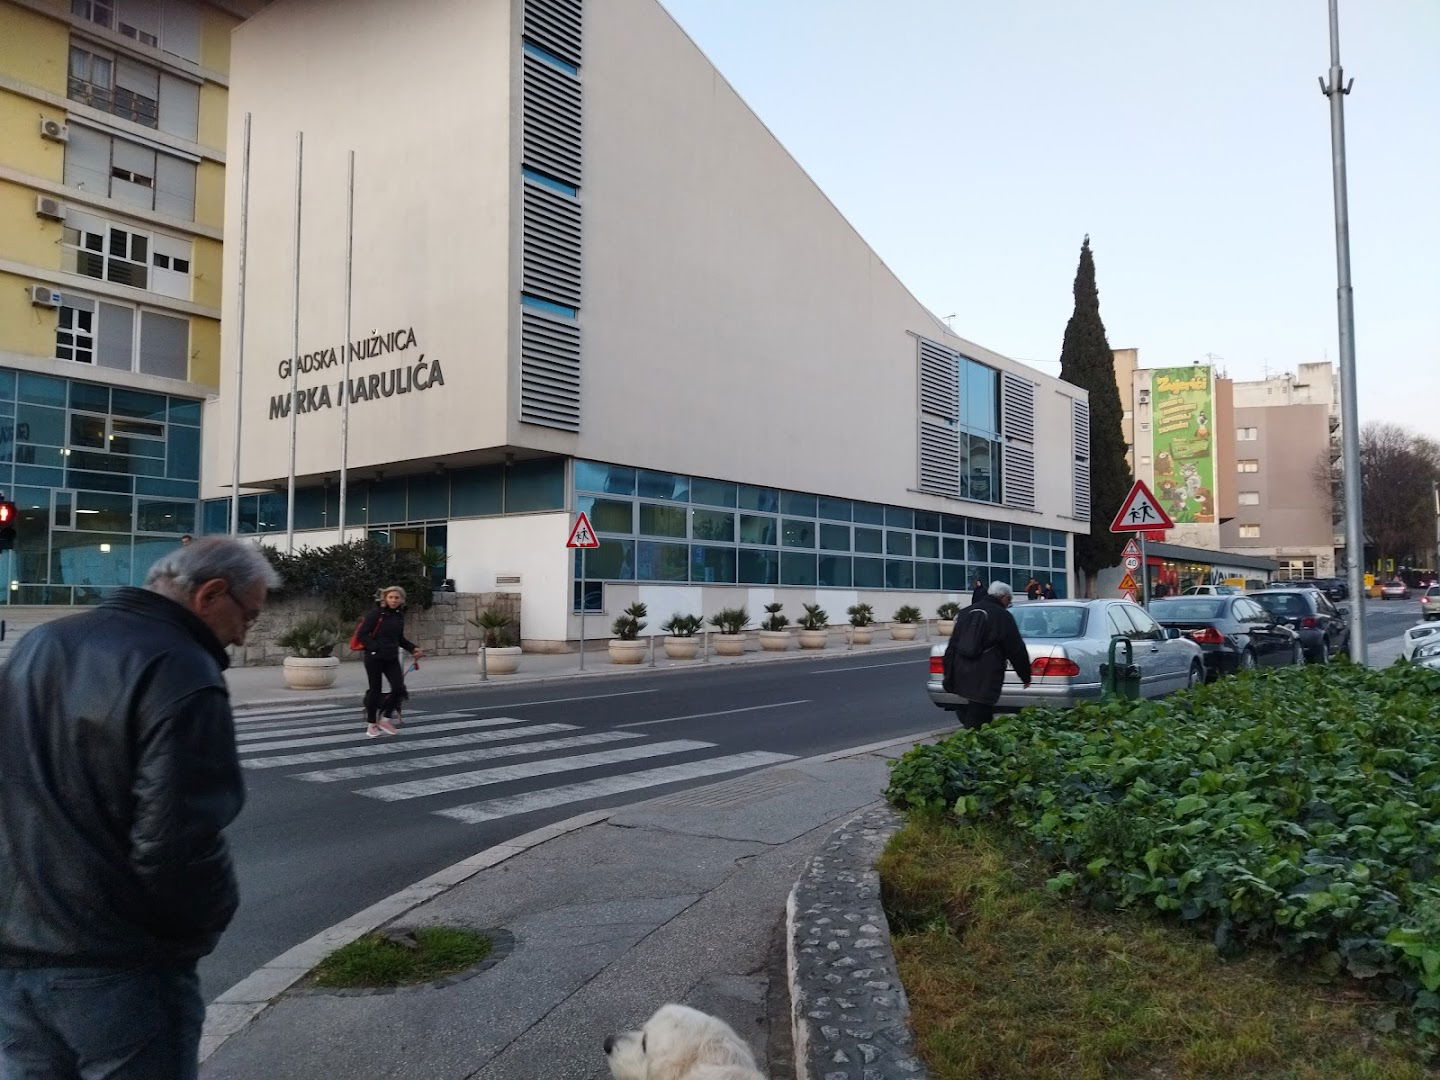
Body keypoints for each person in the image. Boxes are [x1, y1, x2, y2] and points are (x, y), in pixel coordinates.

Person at [0, 537, 278, 1080]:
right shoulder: (181, 669)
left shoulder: (41, 642)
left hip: (15, 953)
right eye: (248, 616)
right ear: (210, 594)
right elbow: (177, 838)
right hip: (118, 963)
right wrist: (200, 927)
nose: (244, 636)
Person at [942, 581, 1031, 729]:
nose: (1009, 604)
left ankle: (975, 736)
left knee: (975, 711)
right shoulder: (1003, 616)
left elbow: (952, 646)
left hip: (961, 668)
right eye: (1009, 600)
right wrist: (1025, 676)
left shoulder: (965, 612)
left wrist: (948, 673)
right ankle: (973, 739)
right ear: (1004, 597)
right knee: (980, 716)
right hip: (987, 672)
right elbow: (1016, 649)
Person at [359, 585, 424, 738]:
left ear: (401, 600)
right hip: (374, 658)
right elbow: (362, 634)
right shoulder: (376, 614)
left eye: (396, 598)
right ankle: (371, 723)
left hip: (391, 657)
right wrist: (375, 648)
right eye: (391, 597)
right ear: (385, 598)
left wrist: (413, 649)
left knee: (398, 688)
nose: (394, 600)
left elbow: (399, 639)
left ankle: (385, 718)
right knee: (375, 691)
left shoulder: (399, 616)